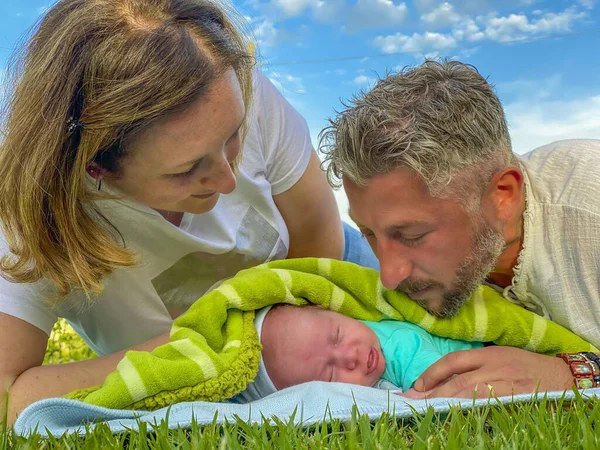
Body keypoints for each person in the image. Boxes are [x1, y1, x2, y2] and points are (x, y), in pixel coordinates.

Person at [0, 0, 375, 425]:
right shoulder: (28, 220)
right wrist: (201, 349)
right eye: (186, 170)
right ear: (96, 168)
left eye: (234, 137)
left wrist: (298, 345)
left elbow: (316, 242)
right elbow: (7, 396)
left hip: (334, 279)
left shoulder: (238, 89)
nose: (228, 181)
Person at [320, 59, 600, 399]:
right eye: (369, 233)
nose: (389, 276)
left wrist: (568, 374)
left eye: (411, 236)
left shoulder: (590, 210)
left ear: (502, 196)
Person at [237, 304, 483, 402]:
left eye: (337, 335)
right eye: (331, 374)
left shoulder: (400, 346)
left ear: (333, 311)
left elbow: (444, 394)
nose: (350, 356)